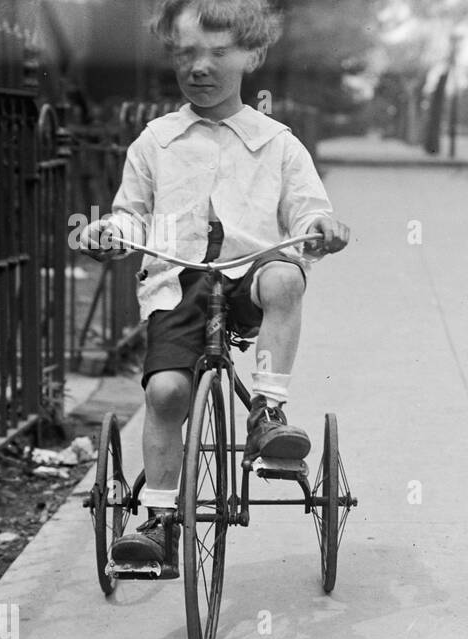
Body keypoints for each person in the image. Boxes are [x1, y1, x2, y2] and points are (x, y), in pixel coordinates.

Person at [80, 0, 350, 577]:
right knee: (166, 394)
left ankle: (267, 414)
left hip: (249, 275)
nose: (199, 67)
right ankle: (157, 522)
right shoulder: (156, 141)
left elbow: (307, 210)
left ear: (251, 56)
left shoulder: (277, 142)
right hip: (178, 283)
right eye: (185, 53)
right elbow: (131, 214)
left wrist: (320, 228)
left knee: (284, 276)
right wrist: (111, 231)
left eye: (218, 53)